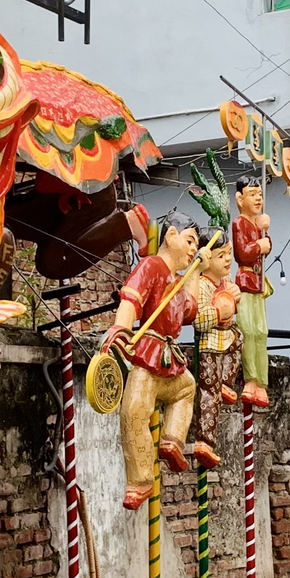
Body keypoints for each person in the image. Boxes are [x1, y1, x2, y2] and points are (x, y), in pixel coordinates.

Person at [105, 211, 202, 509]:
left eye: (195, 247)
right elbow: (131, 299)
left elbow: (190, 311)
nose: (191, 251)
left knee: (187, 388)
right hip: (148, 353)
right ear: (170, 236)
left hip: (170, 358)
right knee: (134, 411)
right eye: (189, 241)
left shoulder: (177, 281)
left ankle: (173, 440)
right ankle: (141, 479)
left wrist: (197, 271)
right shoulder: (150, 266)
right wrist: (121, 327)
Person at [189, 233, 241, 469]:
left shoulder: (224, 282)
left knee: (239, 338)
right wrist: (221, 310)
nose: (228, 259)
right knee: (209, 395)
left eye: (229, 254)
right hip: (209, 345)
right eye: (221, 255)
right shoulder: (202, 285)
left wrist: (233, 299)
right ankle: (205, 442)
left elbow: (233, 307)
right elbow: (198, 320)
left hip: (226, 337)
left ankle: (227, 383)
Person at [231, 181, 273, 409]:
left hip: (258, 283)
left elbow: (268, 246)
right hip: (246, 281)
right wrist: (260, 243)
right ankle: (251, 379)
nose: (258, 199)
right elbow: (243, 253)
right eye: (252, 194)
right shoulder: (239, 223)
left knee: (261, 332)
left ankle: (262, 382)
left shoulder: (257, 223)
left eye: (260, 194)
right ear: (240, 199)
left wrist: (265, 231)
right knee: (247, 330)